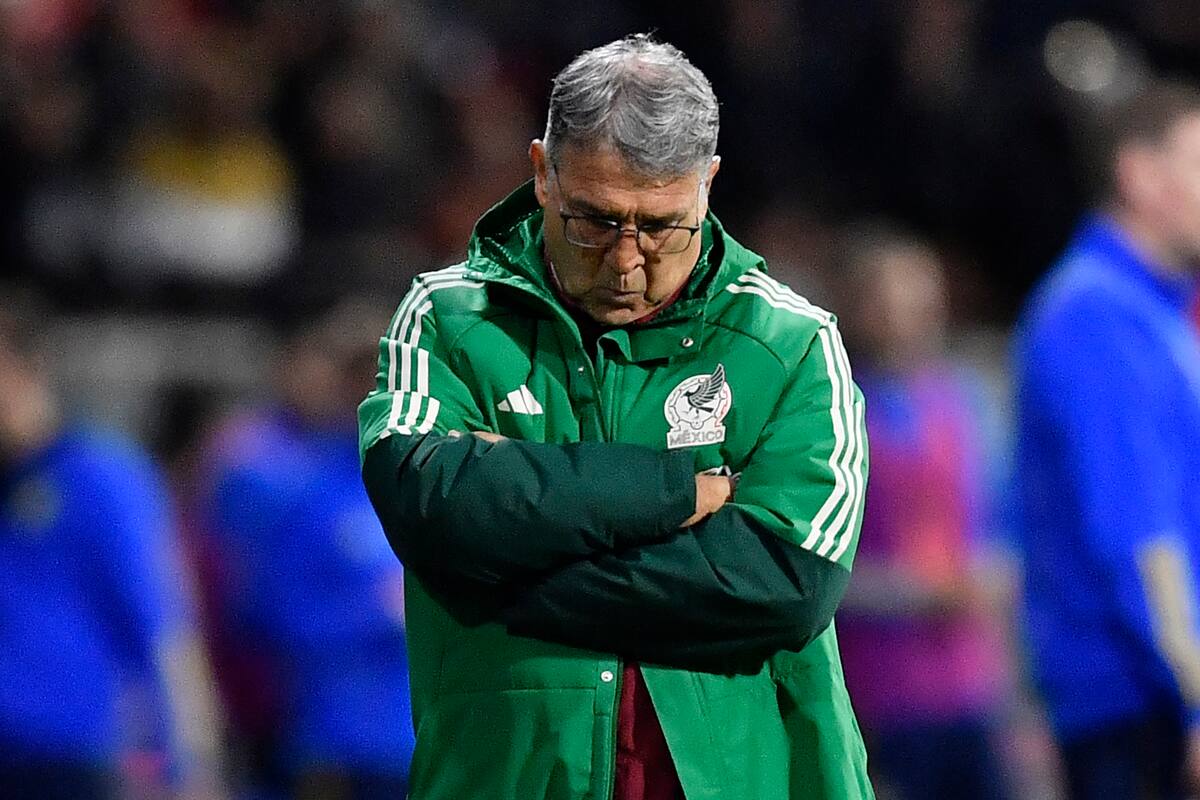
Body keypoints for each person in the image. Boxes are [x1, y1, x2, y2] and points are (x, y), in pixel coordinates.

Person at [357, 35, 872, 800]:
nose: (627, 260)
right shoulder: (446, 317)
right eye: (594, 221)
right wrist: (673, 493)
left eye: (662, 225)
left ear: (709, 185)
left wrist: (501, 575)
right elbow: (429, 504)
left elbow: (786, 585)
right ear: (541, 174)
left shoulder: (792, 343)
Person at [1013, 79, 1200, 800]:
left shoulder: (1152, 313)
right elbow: (1140, 539)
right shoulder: (1096, 316)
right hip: (1136, 709)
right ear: (1139, 174)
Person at [0, 289, 225, 799]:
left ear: (26, 369)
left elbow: (164, 626)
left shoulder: (101, 476)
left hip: (71, 758)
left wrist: (192, 766)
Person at [193, 299, 415, 799]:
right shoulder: (304, 493)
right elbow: (261, 615)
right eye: (364, 376)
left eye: (389, 375)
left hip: (424, 743)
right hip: (333, 749)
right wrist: (377, 610)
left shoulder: (444, 488)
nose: (379, 390)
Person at [833, 225, 1016, 800]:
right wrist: (912, 593)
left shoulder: (967, 400)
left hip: (974, 688)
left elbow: (1000, 526)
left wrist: (995, 576)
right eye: (888, 302)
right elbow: (819, 566)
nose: (907, 317)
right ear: (858, 308)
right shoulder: (835, 411)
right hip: (884, 692)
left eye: (919, 300)